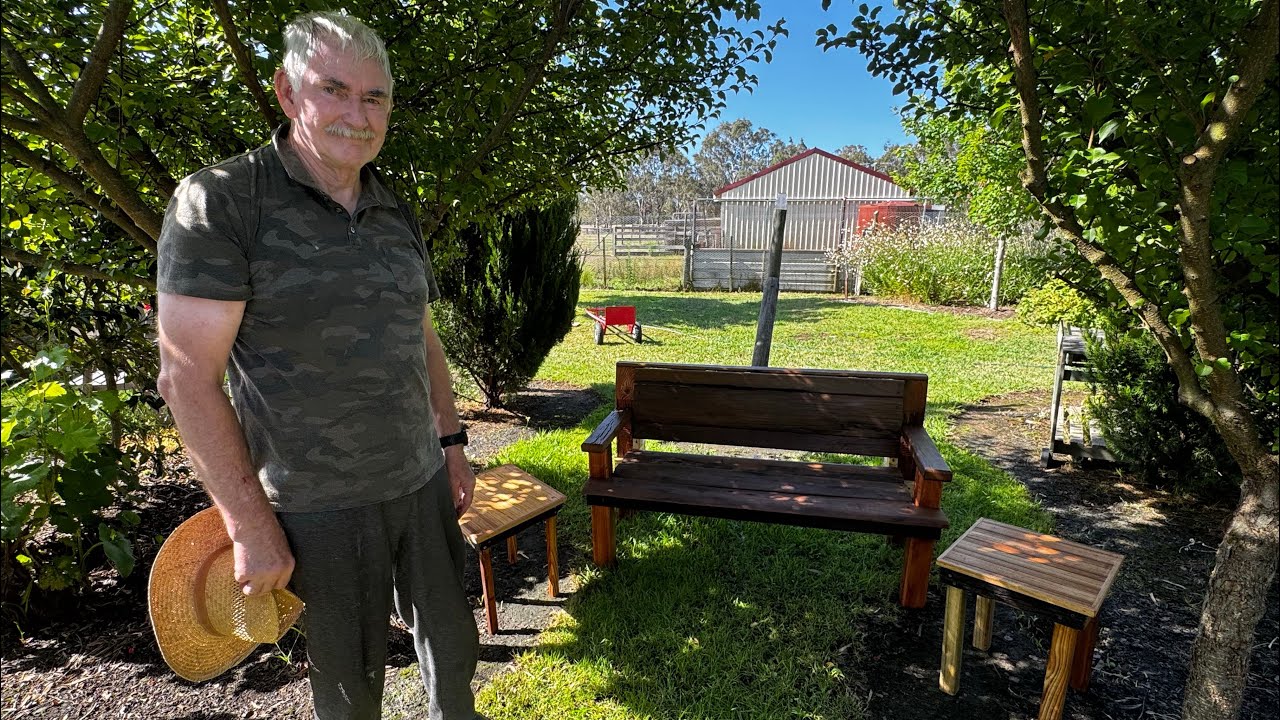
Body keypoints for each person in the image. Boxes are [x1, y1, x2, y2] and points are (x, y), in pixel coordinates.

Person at [155, 11, 480, 720]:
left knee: (453, 652)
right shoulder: (223, 203)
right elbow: (186, 377)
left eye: (375, 98)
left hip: (421, 481)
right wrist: (246, 524)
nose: (357, 116)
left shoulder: (394, 210)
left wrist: (452, 444)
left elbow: (421, 339)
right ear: (287, 91)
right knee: (350, 689)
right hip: (318, 505)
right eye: (333, 89)